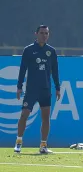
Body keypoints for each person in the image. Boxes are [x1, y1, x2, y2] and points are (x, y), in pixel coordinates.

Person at [14, 25, 60, 154]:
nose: (44, 35)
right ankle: (18, 142)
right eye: (42, 33)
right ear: (36, 34)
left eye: (46, 33)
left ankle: (43, 145)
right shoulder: (28, 50)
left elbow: (55, 71)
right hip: (31, 90)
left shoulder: (51, 51)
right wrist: (19, 86)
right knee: (24, 115)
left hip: (45, 89)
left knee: (46, 118)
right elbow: (22, 69)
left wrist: (57, 87)